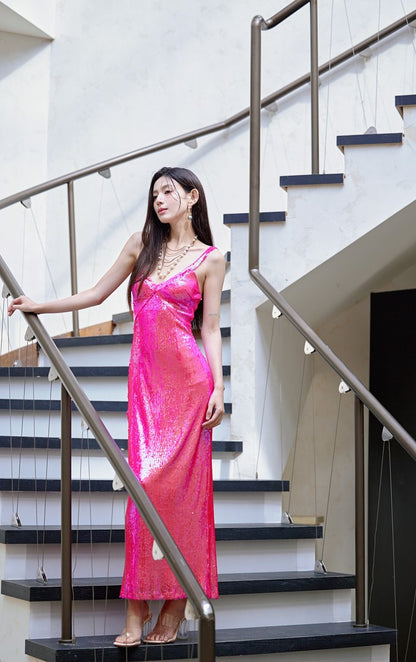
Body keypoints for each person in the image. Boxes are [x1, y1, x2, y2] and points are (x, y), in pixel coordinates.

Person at [8, 166, 225, 646]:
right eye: (154, 194)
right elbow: (96, 294)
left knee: (184, 497)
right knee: (143, 489)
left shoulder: (211, 259)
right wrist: (38, 306)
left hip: (190, 386)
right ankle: (138, 603)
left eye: (168, 191)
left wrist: (219, 389)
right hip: (146, 388)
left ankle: (174, 606)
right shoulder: (140, 245)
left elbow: (209, 328)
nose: (158, 199)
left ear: (192, 197)